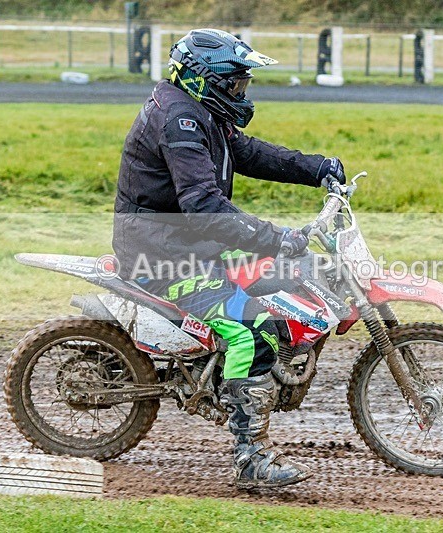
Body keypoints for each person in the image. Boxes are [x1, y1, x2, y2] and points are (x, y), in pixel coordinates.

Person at [112, 28, 346, 489]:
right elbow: (201, 206)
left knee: (286, 289)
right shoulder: (178, 121)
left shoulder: (200, 113)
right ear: (206, 79)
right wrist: (275, 237)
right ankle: (249, 458)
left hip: (189, 248)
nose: (242, 91)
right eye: (236, 83)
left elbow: (248, 152)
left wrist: (317, 167)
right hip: (163, 257)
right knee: (251, 329)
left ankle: (244, 386)